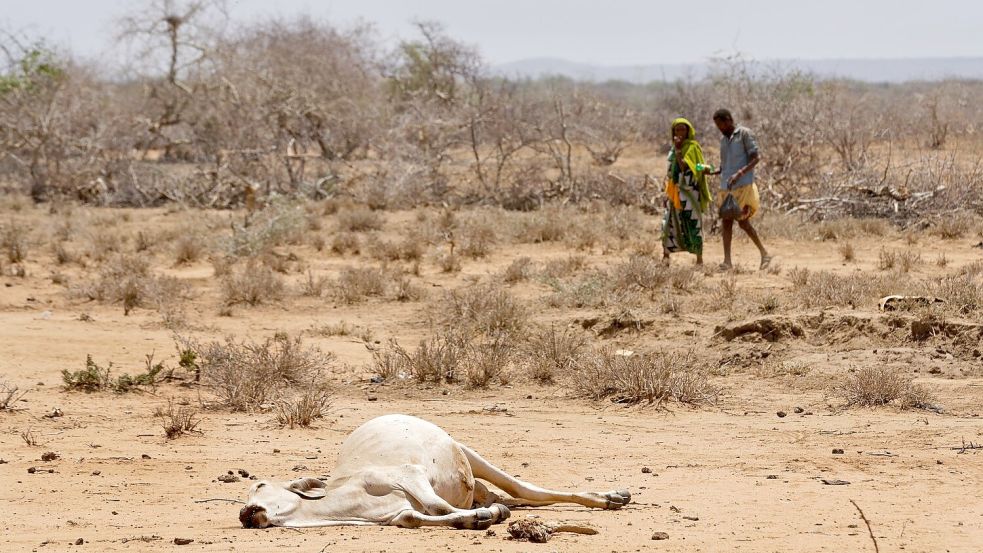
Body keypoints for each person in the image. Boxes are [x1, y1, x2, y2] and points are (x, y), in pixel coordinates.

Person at [710, 108, 771, 270]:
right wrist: (711, 171)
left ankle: (764, 254)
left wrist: (739, 173)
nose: (719, 128)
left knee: (743, 223)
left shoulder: (744, 134)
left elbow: (755, 158)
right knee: (726, 222)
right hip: (726, 187)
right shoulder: (723, 141)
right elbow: (724, 166)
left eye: (721, 124)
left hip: (743, 186)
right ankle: (727, 261)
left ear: (728, 120)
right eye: (717, 125)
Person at [661, 117, 713, 265]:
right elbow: (671, 171)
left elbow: (688, 167)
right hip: (675, 192)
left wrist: (679, 151)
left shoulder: (692, 147)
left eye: (683, 129)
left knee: (693, 223)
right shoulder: (673, 149)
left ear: (688, 131)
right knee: (670, 224)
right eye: (677, 130)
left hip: (690, 193)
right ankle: (665, 257)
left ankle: (699, 259)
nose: (680, 132)